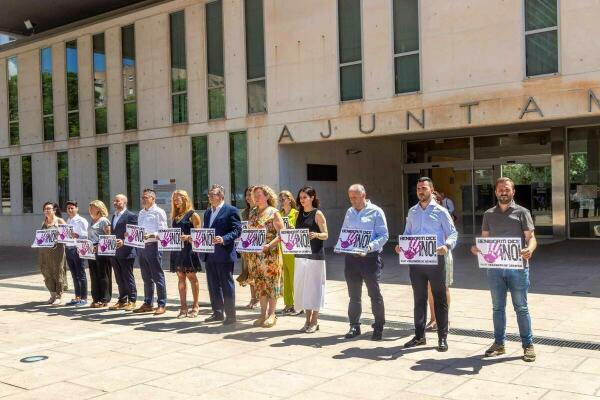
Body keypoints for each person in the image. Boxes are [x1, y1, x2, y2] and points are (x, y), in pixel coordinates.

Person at [470, 177, 538, 362]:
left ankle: (528, 345)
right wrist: (477, 249)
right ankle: (499, 343)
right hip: (495, 269)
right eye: (500, 189)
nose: (503, 192)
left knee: (521, 308)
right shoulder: (488, 214)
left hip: (518, 268)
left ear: (513, 191)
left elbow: (531, 238)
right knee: (497, 308)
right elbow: (484, 238)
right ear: (496, 192)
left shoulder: (522, 212)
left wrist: (529, 250)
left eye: (507, 189)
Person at [398, 177, 457, 352]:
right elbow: (407, 233)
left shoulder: (440, 211)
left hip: (435, 261)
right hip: (416, 261)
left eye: (424, 188)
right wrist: (401, 245)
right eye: (418, 188)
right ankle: (419, 336)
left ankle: (442, 337)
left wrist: (446, 246)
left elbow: (453, 233)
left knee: (439, 299)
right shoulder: (412, 212)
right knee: (419, 299)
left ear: (432, 190)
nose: (420, 191)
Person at [341, 184, 389, 341]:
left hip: (370, 258)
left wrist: (369, 247)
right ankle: (354, 325)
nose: (352, 201)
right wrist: (341, 245)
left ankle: (379, 326)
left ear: (364, 195)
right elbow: (345, 232)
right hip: (351, 259)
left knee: (374, 294)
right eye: (350, 198)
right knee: (354, 295)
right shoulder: (349, 212)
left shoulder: (376, 211)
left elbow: (384, 235)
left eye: (355, 197)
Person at [246, 185, 285, 328]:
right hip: (256, 256)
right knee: (260, 285)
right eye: (254, 195)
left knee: (271, 284)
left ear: (267, 196)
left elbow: (282, 234)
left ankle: (272, 314)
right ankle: (262, 314)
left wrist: (269, 245)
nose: (256, 198)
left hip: (270, 255)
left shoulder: (274, 213)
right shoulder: (253, 212)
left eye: (259, 195)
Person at [202, 185, 242, 324]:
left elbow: (237, 230)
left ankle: (231, 316)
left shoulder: (231, 210)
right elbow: (205, 231)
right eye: (209, 195)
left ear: (221, 196)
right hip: (210, 253)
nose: (211, 197)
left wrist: (224, 238)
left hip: (224, 253)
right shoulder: (207, 212)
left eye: (213, 194)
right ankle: (217, 313)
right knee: (213, 285)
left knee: (226, 285)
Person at [294, 186, 328, 333]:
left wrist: (316, 235)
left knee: (314, 288)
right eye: (300, 197)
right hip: (301, 256)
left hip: (315, 256)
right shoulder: (298, 214)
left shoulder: (318, 213)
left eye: (305, 197)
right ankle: (307, 320)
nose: (302, 200)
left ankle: (314, 320)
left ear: (312, 198)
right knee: (303, 289)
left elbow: (326, 234)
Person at [133, 188, 169, 315]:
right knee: (146, 277)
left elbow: (163, 231)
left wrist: (150, 235)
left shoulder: (159, 212)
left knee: (157, 276)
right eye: (142, 198)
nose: (143, 200)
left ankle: (162, 304)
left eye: (146, 197)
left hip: (153, 246)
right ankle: (148, 302)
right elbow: (139, 229)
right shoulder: (141, 212)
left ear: (153, 199)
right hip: (141, 247)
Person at [170, 189, 202, 318]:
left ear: (185, 198)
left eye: (178, 198)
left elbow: (200, 235)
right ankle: (183, 307)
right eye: (174, 199)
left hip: (189, 250)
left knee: (192, 278)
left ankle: (195, 305)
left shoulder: (193, 215)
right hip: (177, 250)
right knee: (181, 278)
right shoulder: (175, 215)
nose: (176, 201)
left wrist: (188, 237)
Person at [425, 191, 453, 332]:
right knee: (429, 288)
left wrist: (445, 245)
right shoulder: (417, 213)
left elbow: (452, 234)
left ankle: (445, 319)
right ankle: (433, 318)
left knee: (443, 288)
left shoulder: (442, 213)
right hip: (426, 257)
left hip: (442, 255)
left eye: (435, 199)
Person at [109, 194, 138, 311]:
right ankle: (122, 300)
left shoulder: (131, 216)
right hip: (115, 251)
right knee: (119, 277)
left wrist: (125, 241)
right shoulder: (114, 216)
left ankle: (132, 300)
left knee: (127, 276)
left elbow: (134, 233)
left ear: (124, 202)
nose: (115, 203)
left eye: (118, 201)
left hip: (127, 251)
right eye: (114, 201)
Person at [38, 202, 68, 305]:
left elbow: (67, 235)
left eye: (48, 208)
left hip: (57, 251)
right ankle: (52, 295)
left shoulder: (60, 221)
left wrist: (58, 236)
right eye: (45, 209)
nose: (46, 210)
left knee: (57, 271)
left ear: (54, 210)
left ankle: (59, 296)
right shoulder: (44, 222)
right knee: (46, 271)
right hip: (45, 252)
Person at [87, 200, 112, 308]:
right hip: (91, 249)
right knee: (94, 274)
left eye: (93, 207)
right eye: (90, 207)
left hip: (101, 249)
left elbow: (108, 237)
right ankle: (96, 297)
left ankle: (104, 298)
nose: (91, 209)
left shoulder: (104, 220)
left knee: (103, 274)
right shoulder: (93, 221)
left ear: (99, 208)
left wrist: (100, 246)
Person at [64, 200, 89, 307]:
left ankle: (84, 298)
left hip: (78, 248)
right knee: (74, 274)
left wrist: (77, 235)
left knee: (81, 274)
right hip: (69, 248)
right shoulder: (68, 220)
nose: (70, 210)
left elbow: (86, 236)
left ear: (76, 209)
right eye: (68, 208)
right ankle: (77, 296)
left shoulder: (81, 220)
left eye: (72, 208)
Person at [237, 185, 258, 309]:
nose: (248, 197)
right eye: (247, 195)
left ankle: (259, 298)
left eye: (250, 195)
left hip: (258, 247)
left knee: (257, 274)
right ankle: (253, 298)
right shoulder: (244, 212)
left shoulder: (262, 211)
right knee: (249, 274)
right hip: (246, 247)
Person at [278, 190, 299, 315]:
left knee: (294, 278)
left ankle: (297, 305)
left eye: (283, 199)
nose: (281, 201)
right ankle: (288, 304)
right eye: (280, 199)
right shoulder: (279, 214)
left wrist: (293, 228)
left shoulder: (295, 213)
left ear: (290, 199)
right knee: (285, 279)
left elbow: (301, 230)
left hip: (292, 249)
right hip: (281, 249)